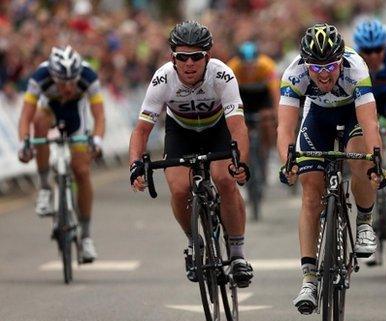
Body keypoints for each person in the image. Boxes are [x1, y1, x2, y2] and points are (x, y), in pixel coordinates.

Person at [128, 21, 253, 287]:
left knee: (225, 180)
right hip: (181, 132)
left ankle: (238, 254)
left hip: (216, 129)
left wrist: (240, 162)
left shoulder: (222, 75)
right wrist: (135, 165)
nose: (189, 63)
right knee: (180, 189)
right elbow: (141, 131)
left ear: (207, 56)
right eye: (182, 57)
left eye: (196, 56)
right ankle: (193, 241)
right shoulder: (162, 79)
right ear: (173, 58)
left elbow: (238, 127)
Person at [277, 23, 384, 313]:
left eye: (331, 67)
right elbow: (285, 126)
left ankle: (364, 221)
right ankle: (309, 280)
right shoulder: (293, 73)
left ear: (341, 61)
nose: (324, 75)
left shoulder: (356, 68)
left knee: (357, 156)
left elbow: (370, 122)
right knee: (311, 191)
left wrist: (375, 161)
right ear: (305, 64)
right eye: (316, 69)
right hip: (317, 118)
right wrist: (288, 162)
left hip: (352, 114)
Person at [17, 45, 105, 263]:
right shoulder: (40, 77)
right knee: (38, 122)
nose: (67, 87)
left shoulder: (88, 77)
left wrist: (96, 140)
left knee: (82, 171)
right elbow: (25, 117)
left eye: (72, 82)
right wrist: (23, 143)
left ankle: (85, 237)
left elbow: (99, 116)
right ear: (53, 76)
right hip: (50, 112)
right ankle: (46, 187)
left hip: (76, 117)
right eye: (61, 82)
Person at [227, 41, 280, 165]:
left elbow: (275, 93)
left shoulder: (267, 65)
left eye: (252, 65)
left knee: (267, 118)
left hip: (262, 95)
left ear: (258, 60)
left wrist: (277, 116)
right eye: (245, 66)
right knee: (242, 125)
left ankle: (270, 149)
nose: (249, 68)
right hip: (243, 95)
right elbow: (229, 96)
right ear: (239, 61)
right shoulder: (232, 67)